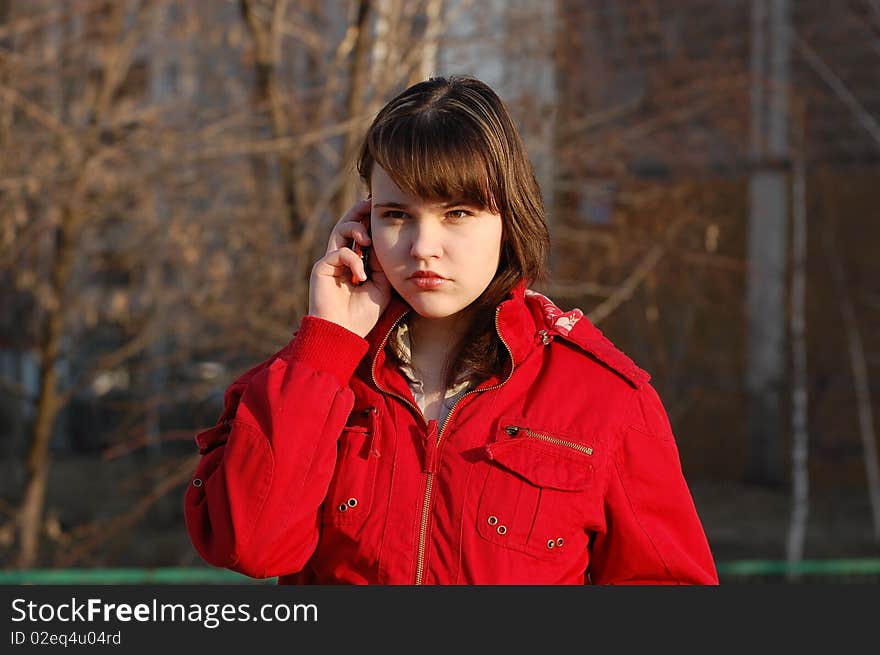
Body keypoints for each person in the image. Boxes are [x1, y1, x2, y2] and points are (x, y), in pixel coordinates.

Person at [184, 75, 719, 585]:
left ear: (509, 218)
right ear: (362, 222)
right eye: (396, 214)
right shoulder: (310, 378)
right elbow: (250, 547)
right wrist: (326, 344)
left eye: (458, 212)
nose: (422, 246)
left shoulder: (604, 397)